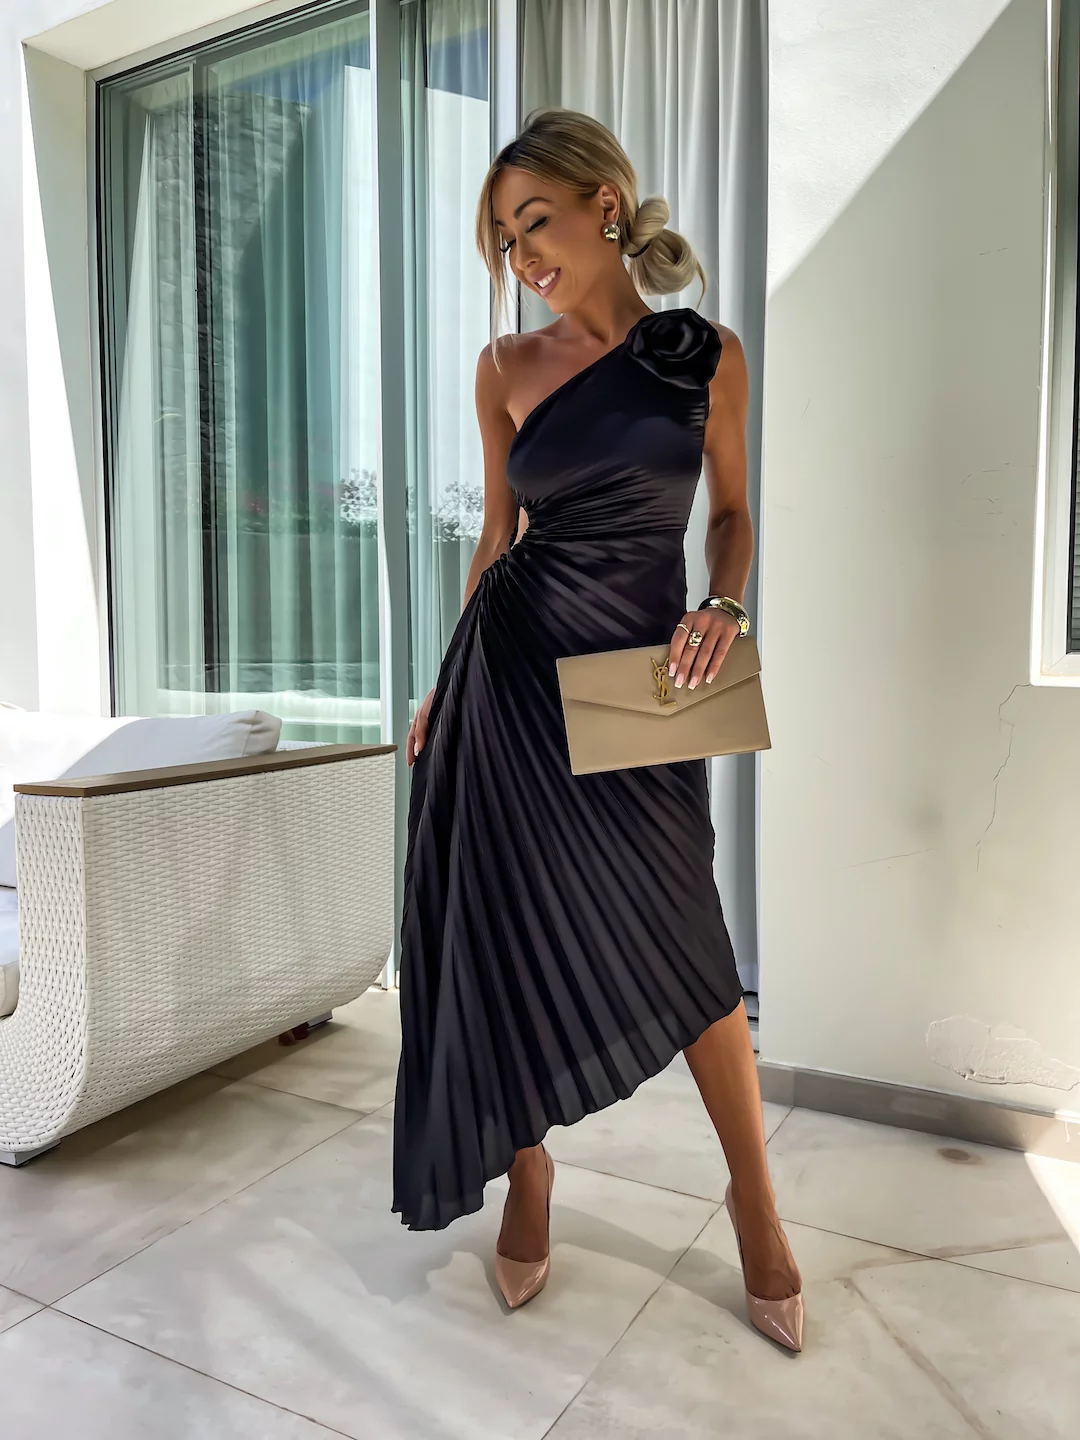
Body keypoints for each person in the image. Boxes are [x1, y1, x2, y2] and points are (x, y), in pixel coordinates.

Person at [390, 107, 803, 1353]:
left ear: (605, 208)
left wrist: (726, 604)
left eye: (537, 223)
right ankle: (528, 1174)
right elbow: (493, 542)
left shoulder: (702, 355)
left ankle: (756, 1204)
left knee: (688, 934)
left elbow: (731, 515)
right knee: (509, 933)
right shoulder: (503, 368)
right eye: (504, 239)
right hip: (505, 683)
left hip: (636, 685)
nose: (523, 255)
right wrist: (437, 684)